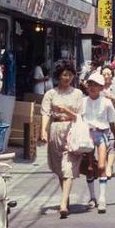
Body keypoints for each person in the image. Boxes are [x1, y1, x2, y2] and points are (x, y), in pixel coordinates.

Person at [39, 60, 83, 219]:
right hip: (55, 131)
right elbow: (45, 113)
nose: (68, 78)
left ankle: (63, 204)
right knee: (60, 168)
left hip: (72, 131)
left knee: (68, 167)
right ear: (58, 76)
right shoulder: (50, 94)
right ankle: (66, 195)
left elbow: (79, 115)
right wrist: (44, 131)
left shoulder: (77, 94)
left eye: (70, 75)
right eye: (65, 74)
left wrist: (66, 110)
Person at [82, 72, 115, 214]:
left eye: (96, 85)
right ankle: (92, 198)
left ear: (101, 87)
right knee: (90, 168)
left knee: (102, 166)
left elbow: (111, 122)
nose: (92, 87)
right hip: (86, 135)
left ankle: (102, 198)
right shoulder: (83, 101)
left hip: (102, 134)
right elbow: (78, 120)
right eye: (90, 84)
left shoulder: (106, 102)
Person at [101, 66, 115, 178]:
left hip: (114, 118)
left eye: (108, 74)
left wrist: (114, 98)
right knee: (102, 143)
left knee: (113, 142)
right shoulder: (97, 88)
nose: (106, 76)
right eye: (104, 74)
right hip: (100, 119)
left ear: (112, 75)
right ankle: (105, 165)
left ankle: (109, 166)